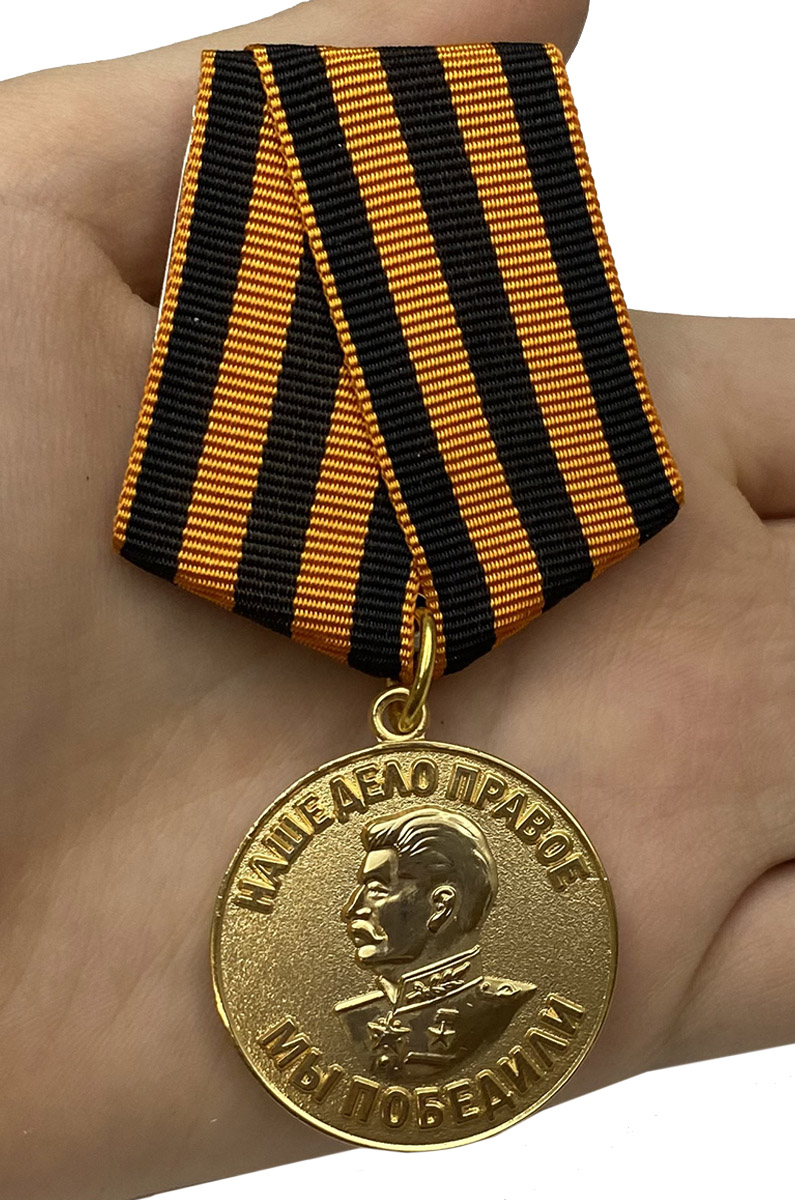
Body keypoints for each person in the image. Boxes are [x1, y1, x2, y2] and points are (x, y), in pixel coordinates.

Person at [0, 0, 792, 1198]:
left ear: (450, 900)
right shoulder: (269, 539)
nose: (362, 896)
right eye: (370, 878)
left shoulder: (495, 999)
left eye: (382, 881)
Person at [336, 807, 535, 1076]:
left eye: (376, 889)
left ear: (441, 906)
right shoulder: (355, 1018)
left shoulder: (501, 1009)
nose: (352, 910)